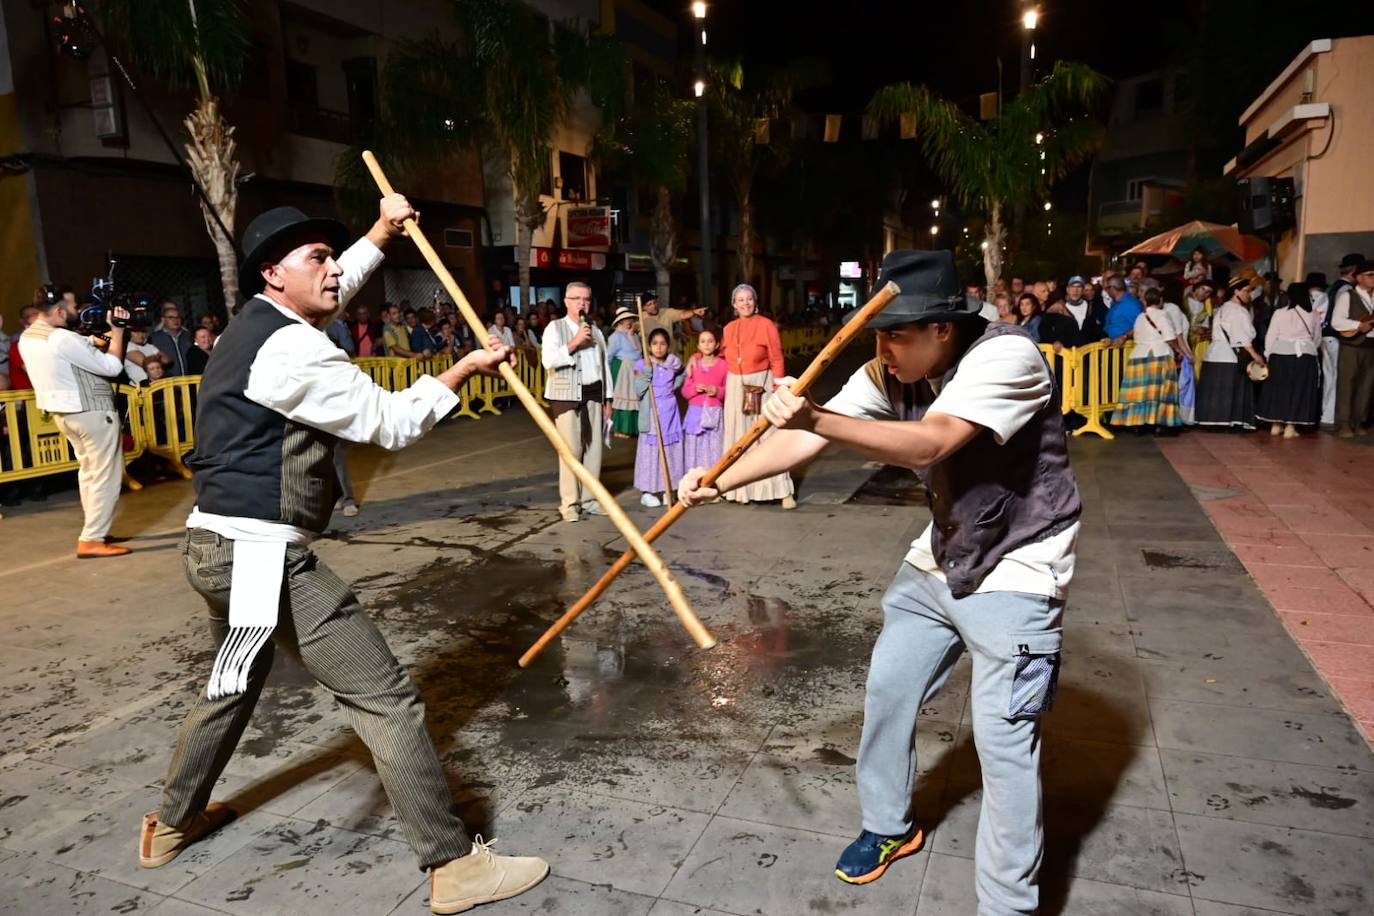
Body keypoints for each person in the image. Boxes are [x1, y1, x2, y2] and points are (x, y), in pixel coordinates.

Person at [145, 197, 549, 914]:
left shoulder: (256, 323)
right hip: (260, 558)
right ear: (274, 274)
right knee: (386, 699)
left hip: (214, 545)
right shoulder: (294, 349)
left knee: (233, 683)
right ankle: (452, 865)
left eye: (335, 258)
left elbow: (329, 287)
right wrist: (464, 368)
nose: (334, 271)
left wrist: (381, 234)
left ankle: (171, 825)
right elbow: (390, 423)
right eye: (318, 259)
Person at [680, 249, 1078, 914]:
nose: (884, 349)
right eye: (877, 334)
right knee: (890, 687)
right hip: (943, 553)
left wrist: (813, 416)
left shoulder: (1007, 357)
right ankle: (891, 825)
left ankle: (1008, 905)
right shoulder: (889, 370)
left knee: (1006, 746)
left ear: (942, 329)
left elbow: (931, 442)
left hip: (1022, 567)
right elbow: (808, 441)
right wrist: (719, 480)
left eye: (897, 334)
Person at [17, 293, 132, 558]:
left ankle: (95, 531)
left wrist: (96, 339)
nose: (77, 310)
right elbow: (112, 367)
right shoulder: (61, 337)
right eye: (72, 306)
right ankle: (92, 539)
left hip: (66, 413)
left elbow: (74, 347)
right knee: (105, 476)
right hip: (91, 410)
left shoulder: (29, 336)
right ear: (59, 311)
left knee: (89, 473)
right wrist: (117, 332)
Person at [541, 281, 612, 523]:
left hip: (594, 393)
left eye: (586, 299)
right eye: (577, 298)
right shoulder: (554, 328)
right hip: (566, 395)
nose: (582, 303)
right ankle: (570, 503)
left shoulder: (596, 330)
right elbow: (548, 360)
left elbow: (604, 366)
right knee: (571, 450)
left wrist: (608, 398)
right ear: (566, 302)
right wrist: (574, 343)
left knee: (593, 449)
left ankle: (590, 499)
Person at [720, 283, 795, 508]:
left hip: (761, 386)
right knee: (739, 437)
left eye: (749, 299)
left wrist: (778, 389)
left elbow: (777, 359)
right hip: (736, 387)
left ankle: (781, 490)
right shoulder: (728, 328)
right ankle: (739, 490)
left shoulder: (767, 325)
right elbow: (722, 356)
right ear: (734, 305)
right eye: (740, 300)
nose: (745, 303)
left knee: (768, 436)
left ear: (755, 302)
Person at [1197, 276, 1265, 431]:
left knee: (1216, 391)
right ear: (1236, 292)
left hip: (1214, 354)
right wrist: (1255, 355)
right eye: (1246, 291)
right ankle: (1231, 420)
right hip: (1230, 356)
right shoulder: (1239, 311)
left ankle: (1212, 420)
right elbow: (1241, 337)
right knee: (1230, 391)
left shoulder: (1222, 308)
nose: (1249, 294)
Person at [1113, 288, 1183, 434]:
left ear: (1145, 301)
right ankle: (1160, 423)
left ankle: (1137, 423)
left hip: (1138, 356)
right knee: (1160, 392)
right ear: (1161, 300)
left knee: (1139, 393)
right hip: (1159, 355)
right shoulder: (1163, 314)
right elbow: (1170, 337)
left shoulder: (1140, 317)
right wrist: (1178, 349)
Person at [1256, 282, 1321, 438]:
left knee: (1278, 389)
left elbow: (1271, 335)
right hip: (1304, 356)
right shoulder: (1313, 314)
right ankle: (1290, 427)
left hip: (1279, 354)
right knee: (1298, 390)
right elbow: (1317, 338)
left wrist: (1268, 354)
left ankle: (1276, 425)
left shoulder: (1279, 313)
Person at [632, 328, 685, 507]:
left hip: (670, 413)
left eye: (663, 344)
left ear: (668, 346)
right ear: (649, 346)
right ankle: (647, 492)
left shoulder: (673, 363)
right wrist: (648, 372)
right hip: (651, 414)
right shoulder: (642, 364)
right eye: (655, 344)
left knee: (670, 451)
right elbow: (638, 390)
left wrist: (674, 386)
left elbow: (682, 374)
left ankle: (668, 489)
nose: (659, 347)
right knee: (651, 452)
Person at [1331, 259, 1374, 437]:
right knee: (1347, 385)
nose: (1373, 278)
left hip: (1371, 346)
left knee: (1367, 386)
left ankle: (1359, 421)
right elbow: (1336, 322)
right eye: (1370, 275)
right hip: (1352, 346)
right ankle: (1343, 424)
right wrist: (1358, 325)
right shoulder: (1347, 296)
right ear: (1359, 277)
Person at [682, 327, 728, 474]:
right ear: (698, 346)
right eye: (703, 341)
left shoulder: (724, 365)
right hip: (695, 414)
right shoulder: (694, 365)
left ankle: (712, 477)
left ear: (717, 344)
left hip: (714, 413)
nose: (706, 344)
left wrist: (718, 391)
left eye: (710, 341)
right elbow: (685, 391)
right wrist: (694, 388)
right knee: (694, 448)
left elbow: (729, 390)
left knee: (714, 448)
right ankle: (694, 478)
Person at [606, 306, 642, 440]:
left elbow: (639, 353)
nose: (629, 321)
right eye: (626, 319)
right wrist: (608, 374)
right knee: (624, 397)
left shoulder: (634, 335)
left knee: (636, 397)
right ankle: (621, 428)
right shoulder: (616, 336)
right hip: (624, 370)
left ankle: (634, 428)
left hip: (637, 369)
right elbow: (609, 356)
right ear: (620, 321)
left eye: (630, 319)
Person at [1306, 272, 1336, 425]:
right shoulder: (1326, 298)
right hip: (1326, 338)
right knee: (1330, 376)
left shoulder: (1304, 298)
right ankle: (1327, 413)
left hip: (1305, 342)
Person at [639, 290, 706, 343]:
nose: (653, 306)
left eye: (654, 302)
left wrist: (693, 312)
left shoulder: (667, 312)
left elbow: (682, 314)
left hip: (669, 353)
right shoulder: (641, 317)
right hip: (650, 354)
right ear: (643, 308)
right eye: (649, 304)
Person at [151, 302, 194, 376]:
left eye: (178, 317)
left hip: (190, 378)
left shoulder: (188, 336)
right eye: (171, 318)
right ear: (163, 319)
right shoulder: (155, 338)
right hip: (168, 380)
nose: (175, 320)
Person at [1102, 277, 1142, 343]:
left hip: (1127, 346)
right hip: (1113, 345)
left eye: (1107, 288)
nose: (1107, 291)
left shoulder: (1130, 304)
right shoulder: (1114, 302)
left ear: (1112, 288)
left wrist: (1124, 336)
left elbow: (1140, 326)